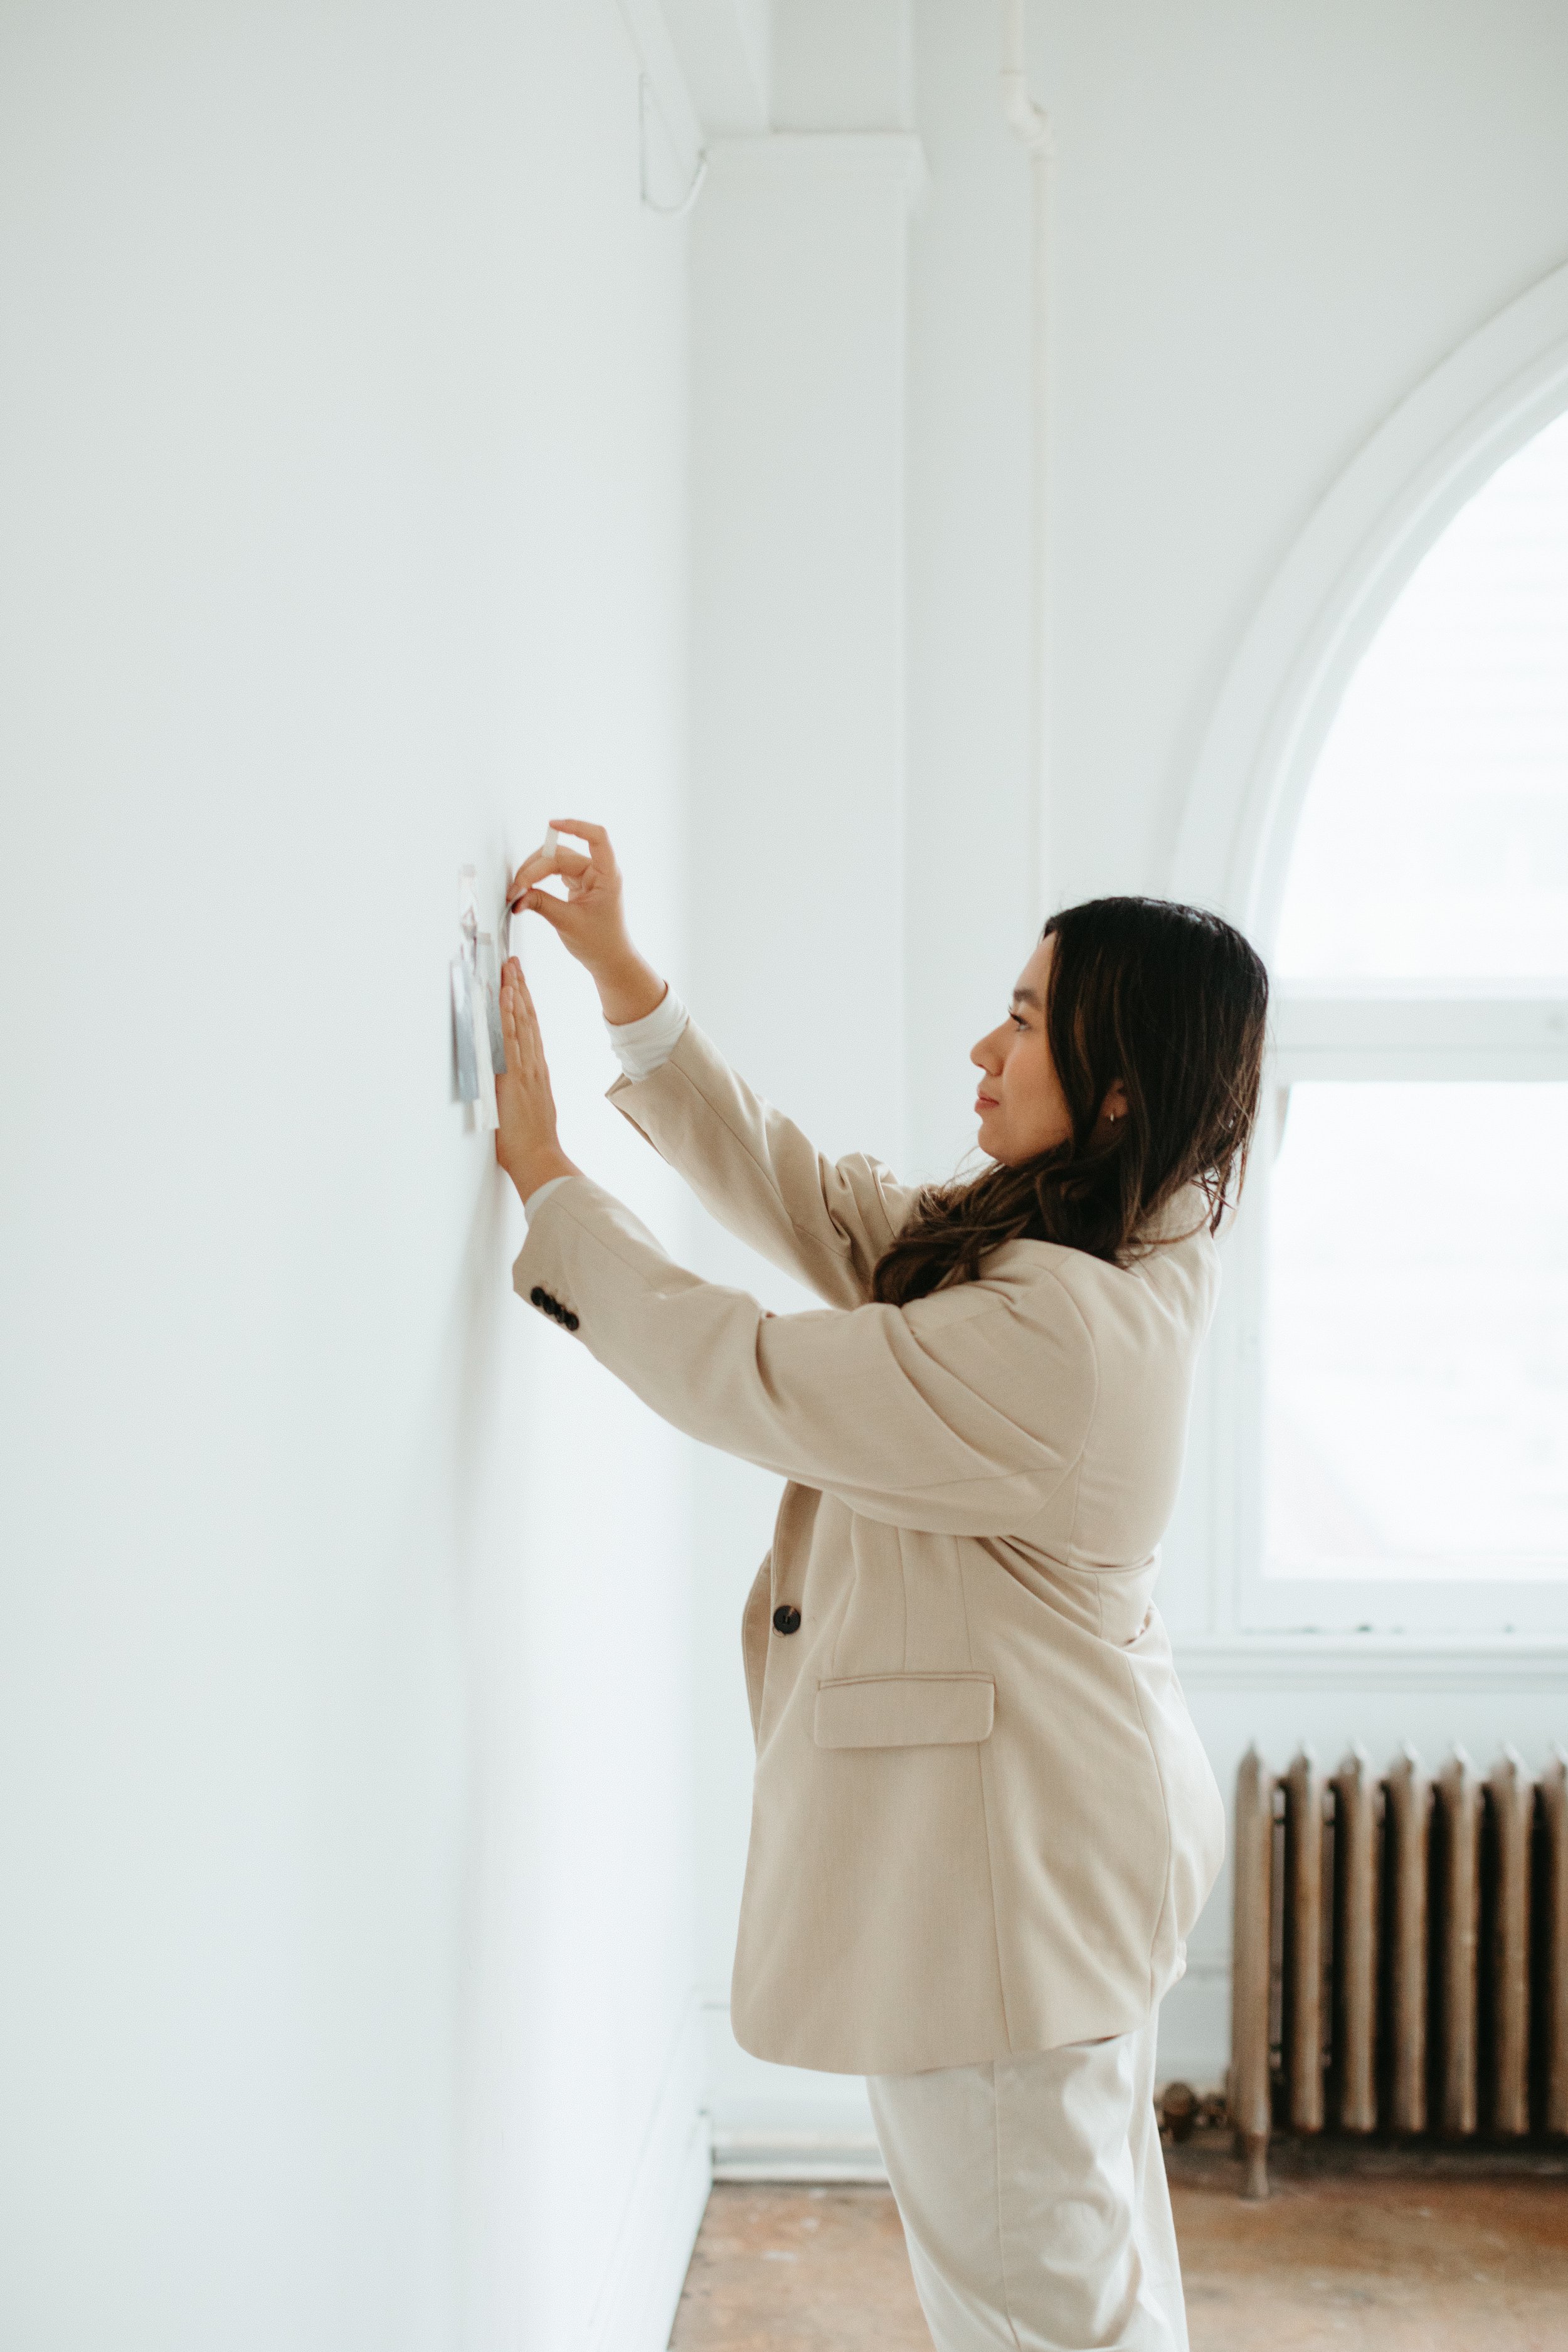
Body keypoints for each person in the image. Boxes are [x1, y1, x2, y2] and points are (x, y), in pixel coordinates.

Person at [495, 819, 1268, 2352]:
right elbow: (843, 1215)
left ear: (1115, 1086)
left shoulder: (1063, 1334)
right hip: (1058, 1853)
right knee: (1089, 2290)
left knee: (1040, 2317)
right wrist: (630, 988)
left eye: (1028, 1021)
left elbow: (765, 1375)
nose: (984, 1048)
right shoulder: (1104, 1231)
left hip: (1008, 1885)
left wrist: (551, 1188)